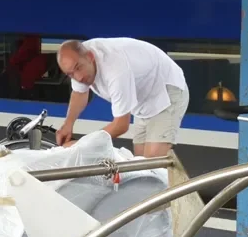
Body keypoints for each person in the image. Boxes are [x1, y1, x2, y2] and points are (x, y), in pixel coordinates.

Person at [55, 38, 190, 157]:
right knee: (140, 163)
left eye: (78, 69)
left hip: (165, 91)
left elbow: (121, 125)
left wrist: (81, 145)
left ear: (90, 56)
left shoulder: (115, 69)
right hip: (142, 101)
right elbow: (80, 93)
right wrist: (68, 125)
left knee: (152, 162)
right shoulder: (76, 61)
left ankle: (187, 185)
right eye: (71, 74)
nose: (78, 77)